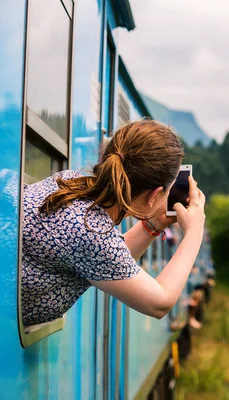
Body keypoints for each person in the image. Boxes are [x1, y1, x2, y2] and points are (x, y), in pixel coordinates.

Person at [21, 119, 205, 328]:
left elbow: (107, 261)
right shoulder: (92, 233)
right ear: (153, 196)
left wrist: (154, 224)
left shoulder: (67, 182)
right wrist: (194, 231)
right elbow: (159, 304)